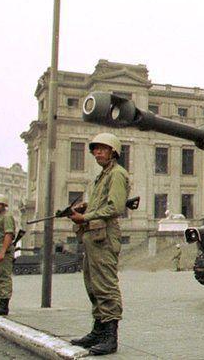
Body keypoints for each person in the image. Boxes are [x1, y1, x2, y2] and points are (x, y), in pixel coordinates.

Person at [68, 132, 131, 356]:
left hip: (104, 235)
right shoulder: (102, 176)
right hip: (93, 236)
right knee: (93, 285)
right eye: (95, 149)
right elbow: (100, 203)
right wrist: (86, 207)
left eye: (102, 149)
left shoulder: (116, 174)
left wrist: (84, 217)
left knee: (105, 285)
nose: (97, 153)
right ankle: (98, 330)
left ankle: (110, 337)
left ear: (113, 151)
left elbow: (114, 208)